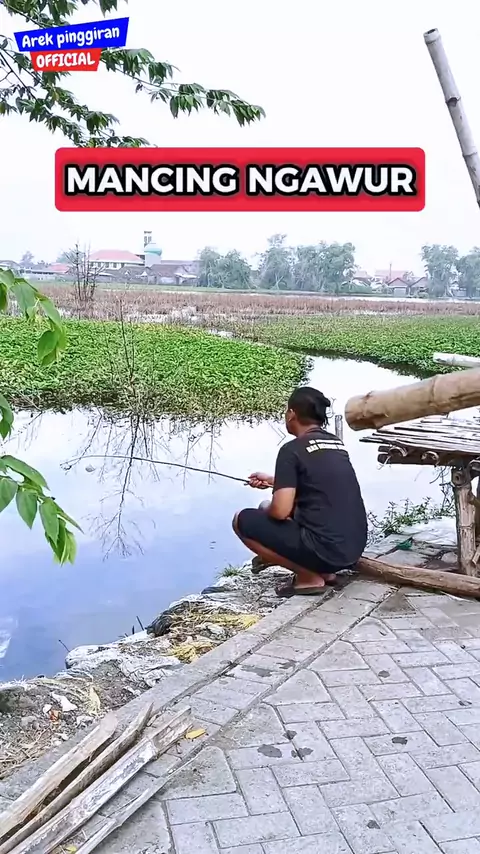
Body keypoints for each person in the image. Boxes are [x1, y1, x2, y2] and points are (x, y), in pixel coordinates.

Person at [232, 386, 367, 597]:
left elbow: (279, 512)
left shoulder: (291, 450)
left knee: (242, 519)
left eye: (286, 411)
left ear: (292, 413)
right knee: (265, 507)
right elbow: (318, 482)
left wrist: (278, 499)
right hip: (353, 549)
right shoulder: (335, 443)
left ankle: (308, 577)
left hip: (327, 551)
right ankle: (327, 573)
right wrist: (274, 482)